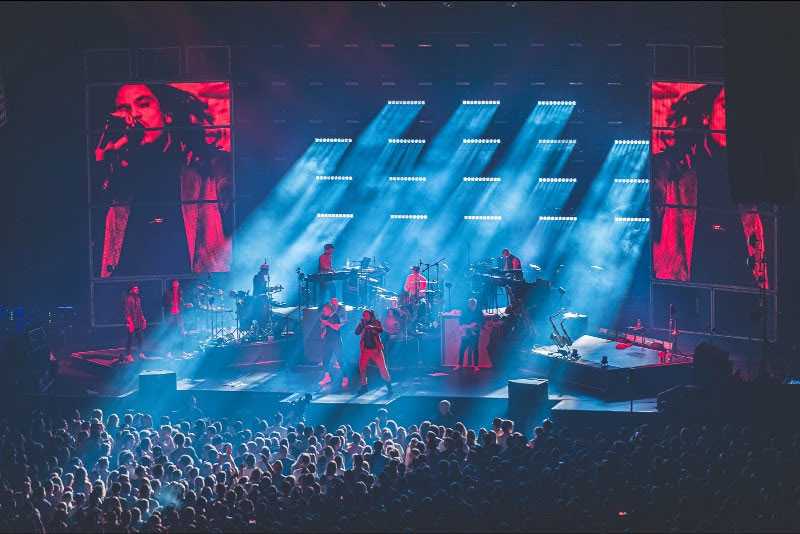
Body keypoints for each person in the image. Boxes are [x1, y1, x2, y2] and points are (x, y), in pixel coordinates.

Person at [95, 83, 232, 277]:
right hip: (131, 287)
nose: (134, 115)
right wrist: (103, 162)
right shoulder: (117, 170)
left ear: (166, 114)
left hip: (191, 287)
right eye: (124, 109)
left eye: (143, 105)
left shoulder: (203, 163)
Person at [651, 83, 768, 289]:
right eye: (726, 107)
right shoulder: (673, 167)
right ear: (706, 115)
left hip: (739, 288)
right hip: (686, 288)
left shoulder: (752, 169)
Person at [355, 310, 392, 395]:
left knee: (383, 368)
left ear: (371, 315)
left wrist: (371, 327)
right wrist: (360, 324)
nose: (365, 317)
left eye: (367, 315)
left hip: (376, 350)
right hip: (365, 350)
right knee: (362, 368)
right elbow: (356, 332)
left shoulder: (376, 322)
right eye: (364, 315)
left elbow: (380, 330)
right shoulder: (362, 323)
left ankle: (389, 387)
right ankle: (364, 386)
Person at [318, 303, 344, 388]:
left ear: (329, 309)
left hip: (336, 342)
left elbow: (337, 328)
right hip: (329, 341)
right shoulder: (328, 317)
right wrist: (324, 333)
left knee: (340, 360)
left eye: (324, 310)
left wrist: (327, 323)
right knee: (325, 359)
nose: (323, 312)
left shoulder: (335, 316)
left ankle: (345, 377)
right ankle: (327, 376)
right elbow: (328, 328)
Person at [457, 298, 483, 370]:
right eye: (470, 304)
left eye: (473, 304)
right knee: (462, 349)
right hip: (466, 332)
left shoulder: (478, 311)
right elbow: (461, 321)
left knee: (475, 349)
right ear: (468, 304)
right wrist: (466, 326)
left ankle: (476, 366)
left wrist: (476, 324)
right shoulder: (465, 311)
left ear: (475, 304)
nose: (471, 305)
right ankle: (459, 364)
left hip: (474, 333)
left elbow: (482, 321)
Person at [123, 285, 147, 363]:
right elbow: (127, 311)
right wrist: (129, 322)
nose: (137, 290)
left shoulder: (138, 299)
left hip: (138, 322)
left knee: (140, 338)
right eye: (135, 289)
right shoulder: (128, 299)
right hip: (131, 321)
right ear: (131, 290)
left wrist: (143, 319)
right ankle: (128, 355)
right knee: (130, 339)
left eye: (137, 288)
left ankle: (141, 353)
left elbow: (140, 310)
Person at [162, 279, 184, 357]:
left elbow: (181, 302)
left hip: (178, 315)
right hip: (171, 315)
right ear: (172, 284)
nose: (176, 284)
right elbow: (163, 303)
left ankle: (180, 351)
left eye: (177, 283)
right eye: (174, 283)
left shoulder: (180, 292)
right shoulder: (168, 292)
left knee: (180, 333)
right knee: (170, 333)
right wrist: (169, 304)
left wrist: (183, 305)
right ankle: (168, 352)